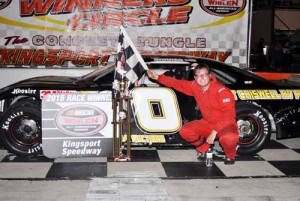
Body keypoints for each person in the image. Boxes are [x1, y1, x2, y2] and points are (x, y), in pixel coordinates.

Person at [147, 63, 239, 165]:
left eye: (204, 75)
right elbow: (177, 83)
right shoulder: (194, 86)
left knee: (229, 138)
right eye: (199, 76)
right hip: (208, 123)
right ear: (195, 78)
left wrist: (214, 132)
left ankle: (230, 156)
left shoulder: (222, 91)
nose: (202, 78)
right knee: (185, 131)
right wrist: (158, 77)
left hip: (225, 124)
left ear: (209, 75)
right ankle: (205, 149)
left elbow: (229, 116)